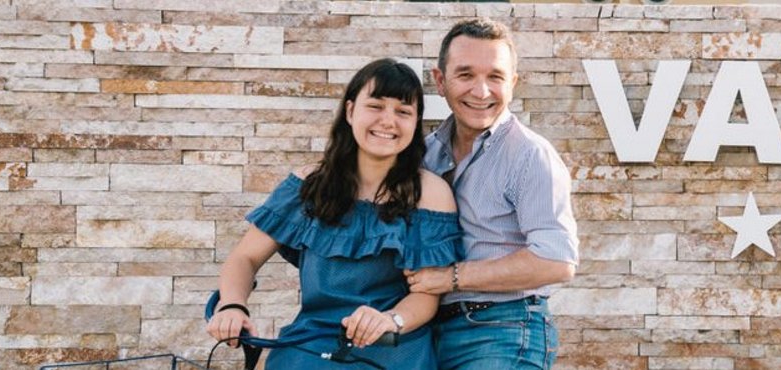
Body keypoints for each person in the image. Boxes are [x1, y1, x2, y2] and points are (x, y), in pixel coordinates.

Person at [206, 58, 464, 369]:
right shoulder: (307, 184)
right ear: (351, 110)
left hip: (392, 345)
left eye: (403, 112)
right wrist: (232, 305)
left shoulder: (430, 193)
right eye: (376, 106)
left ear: (415, 123)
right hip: (310, 342)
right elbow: (244, 258)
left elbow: (428, 294)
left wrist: (389, 320)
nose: (388, 121)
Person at [403, 19, 580, 370]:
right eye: (466, 75)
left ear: (512, 84)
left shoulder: (530, 155)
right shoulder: (424, 153)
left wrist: (452, 278)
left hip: (503, 328)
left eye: (495, 77)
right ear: (440, 81)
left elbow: (556, 260)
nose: (481, 91)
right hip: (426, 331)